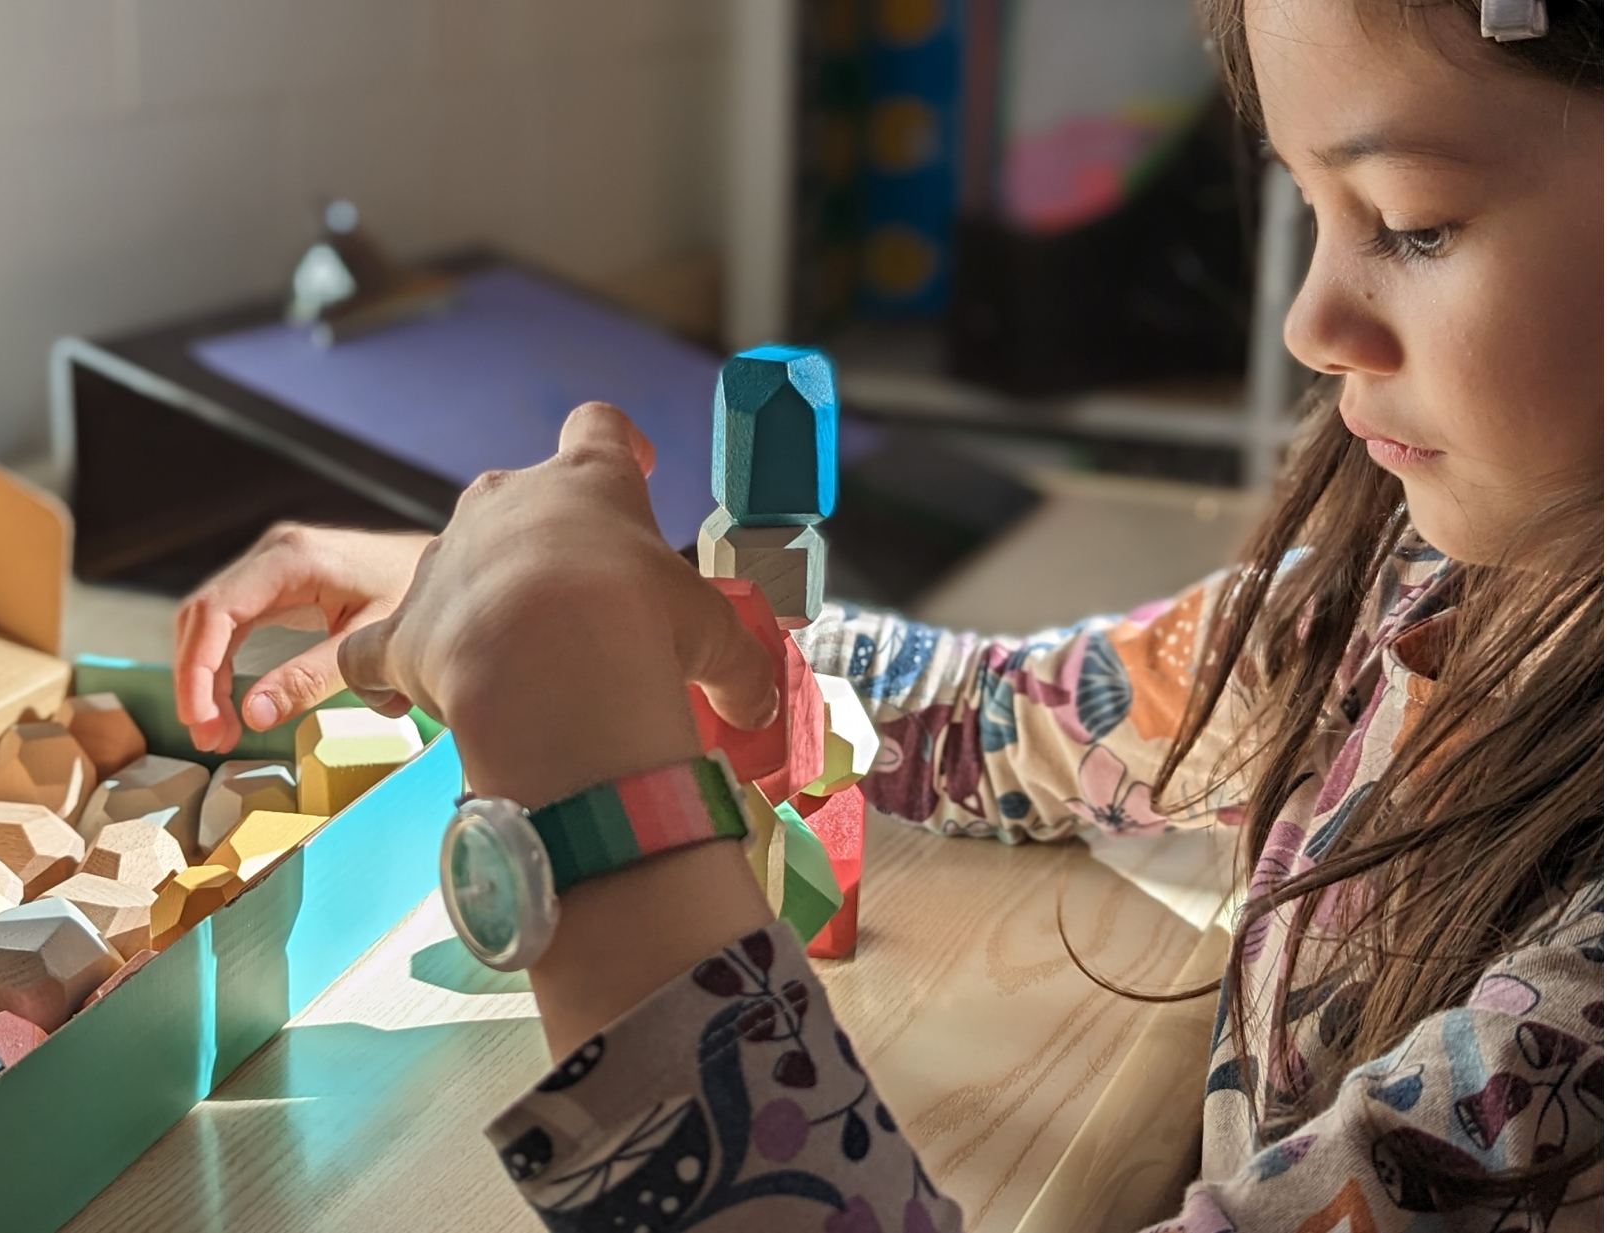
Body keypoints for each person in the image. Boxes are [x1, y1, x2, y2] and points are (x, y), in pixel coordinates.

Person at [172, 0, 1603, 1227]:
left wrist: (591, 818)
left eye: (1410, 223)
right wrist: (593, 616)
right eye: (1309, 205)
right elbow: (1011, 710)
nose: (1307, 320)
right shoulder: (1420, 588)